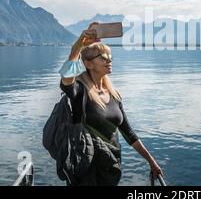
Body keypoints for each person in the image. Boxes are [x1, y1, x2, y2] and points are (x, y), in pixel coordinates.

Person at [58, 22, 163, 185]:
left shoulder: (113, 94)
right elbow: (66, 76)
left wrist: (151, 161)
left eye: (110, 57)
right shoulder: (79, 91)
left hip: (111, 166)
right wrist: (80, 42)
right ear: (88, 64)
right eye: (103, 57)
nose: (109, 60)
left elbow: (128, 132)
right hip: (86, 169)